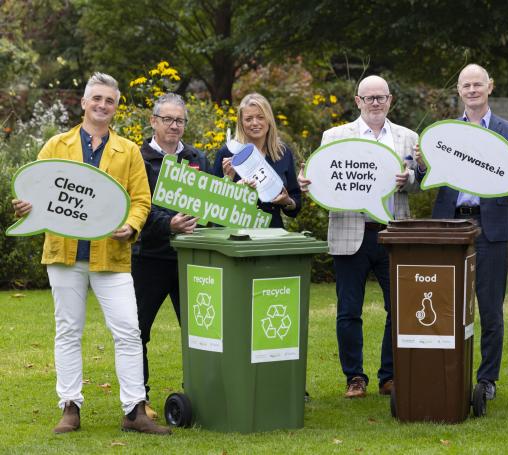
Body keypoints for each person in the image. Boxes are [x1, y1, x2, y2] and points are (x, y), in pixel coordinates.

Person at [10, 73, 170, 435]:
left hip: (111, 255)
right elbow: (35, 190)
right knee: (68, 330)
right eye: (96, 98)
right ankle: (70, 407)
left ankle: (134, 410)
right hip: (64, 254)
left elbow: (141, 200)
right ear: (84, 103)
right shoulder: (56, 145)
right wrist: (25, 205)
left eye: (109, 100)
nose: (102, 105)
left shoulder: (128, 151)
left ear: (116, 107)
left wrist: (132, 225)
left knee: (128, 330)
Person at [415, 64, 508, 401]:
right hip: (451, 227)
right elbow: (425, 178)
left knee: (491, 310)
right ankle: (446, 371)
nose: (472, 90)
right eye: (466, 85)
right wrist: (421, 164)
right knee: (444, 306)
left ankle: (487, 380)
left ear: (489, 87)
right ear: (459, 90)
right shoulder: (445, 132)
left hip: (491, 229)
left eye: (477, 84)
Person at [298, 75, 419, 398]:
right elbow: (321, 180)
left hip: (393, 234)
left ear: (390, 100)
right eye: (369, 98)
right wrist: (307, 183)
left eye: (381, 97)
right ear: (357, 101)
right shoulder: (335, 136)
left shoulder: (408, 138)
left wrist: (408, 179)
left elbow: (420, 183)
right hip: (350, 233)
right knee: (349, 311)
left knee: (399, 309)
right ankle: (354, 377)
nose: (375, 103)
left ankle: (389, 376)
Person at [133, 93, 210, 420]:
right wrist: (168, 225)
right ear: (154, 121)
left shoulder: (197, 158)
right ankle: (139, 400)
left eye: (180, 120)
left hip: (189, 258)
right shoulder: (138, 159)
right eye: (168, 119)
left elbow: (211, 204)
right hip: (148, 258)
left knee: (202, 331)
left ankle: (203, 394)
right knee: (138, 331)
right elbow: (136, 208)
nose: (174, 126)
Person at [212, 93, 301, 227]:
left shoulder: (282, 153)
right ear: (241, 123)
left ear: (269, 119)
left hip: (273, 231)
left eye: (260, 117)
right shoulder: (228, 153)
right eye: (248, 119)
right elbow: (213, 204)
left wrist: (288, 201)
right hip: (237, 232)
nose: (255, 123)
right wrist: (232, 186)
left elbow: (295, 200)